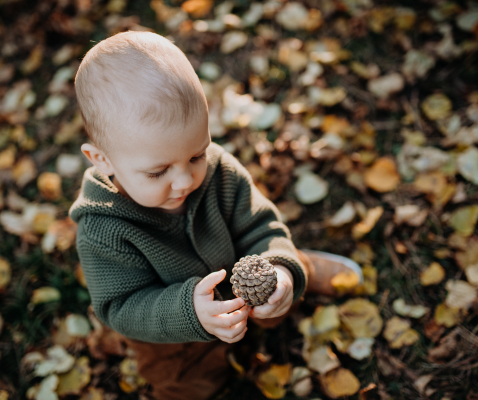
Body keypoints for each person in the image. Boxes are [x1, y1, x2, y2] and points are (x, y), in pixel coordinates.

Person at [69, 31, 362, 400]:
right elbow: (121, 307)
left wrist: (281, 272)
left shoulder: (219, 172)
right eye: (158, 172)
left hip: (247, 285)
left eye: (196, 155)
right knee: (189, 386)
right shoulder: (103, 228)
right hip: (171, 337)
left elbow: (259, 225)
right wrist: (188, 310)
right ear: (102, 160)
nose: (184, 180)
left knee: (280, 277)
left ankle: (300, 268)